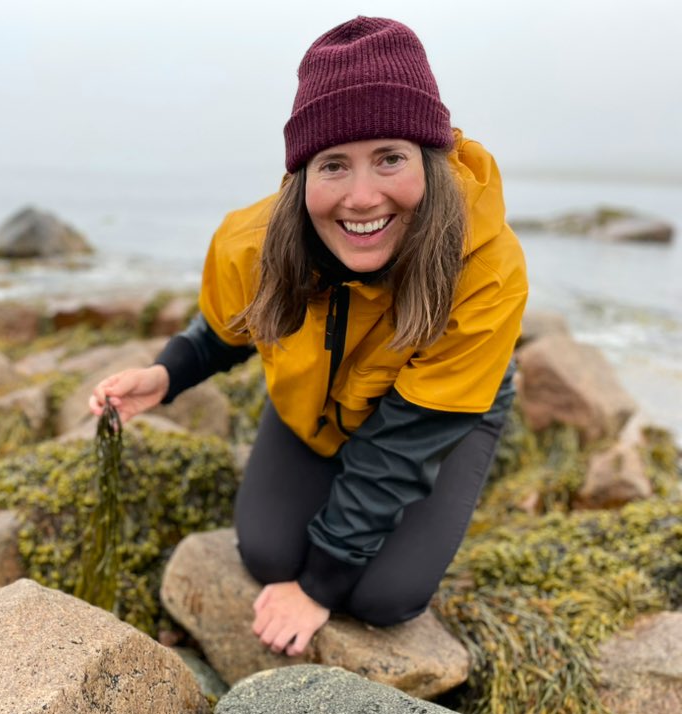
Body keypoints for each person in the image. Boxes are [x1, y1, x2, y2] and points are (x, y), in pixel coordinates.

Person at [88, 16, 527, 657]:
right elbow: (227, 324)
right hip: (318, 404)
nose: (361, 196)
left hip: (443, 409)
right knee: (267, 554)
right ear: (300, 177)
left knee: (384, 598)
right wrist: (167, 375)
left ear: (430, 160)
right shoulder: (254, 239)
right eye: (333, 165)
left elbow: (400, 450)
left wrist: (319, 586)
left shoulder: (484, 269)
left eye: (389, 158)